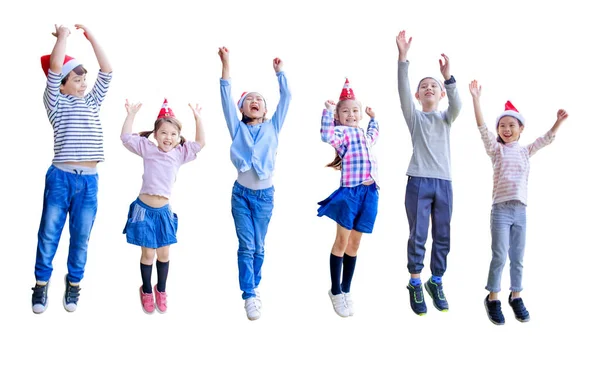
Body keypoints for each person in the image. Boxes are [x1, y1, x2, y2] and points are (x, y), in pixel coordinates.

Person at [469, 80, 568, 325]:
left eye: (511, 125)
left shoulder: (525, 151)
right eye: (502, 125)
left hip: (520, 211)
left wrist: (558, 121)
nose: (506, 129)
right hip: (501, 211)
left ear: (520, 128)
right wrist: (476, 99)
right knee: (500, 255)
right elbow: (482, 128)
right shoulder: (496, 150)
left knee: (518, 257)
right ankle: (493, 298)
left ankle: (516, 295)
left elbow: (546, 139)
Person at [32, 24, 112, 314]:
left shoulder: (92, 102)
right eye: (76, 78)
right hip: (61, 178)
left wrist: (92, 37)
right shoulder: (56, 103)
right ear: (62, 85)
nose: (83, 82)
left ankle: (74, 283)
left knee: (81, 236)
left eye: (84, 78)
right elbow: (54, 69)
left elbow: (107, 70)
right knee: (49, 233)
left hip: (89, 182)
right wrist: (63, 38)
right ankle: (41, 284)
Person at [218, 46, 291, 321]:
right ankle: (248, 294)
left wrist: (279, 73)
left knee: (259, 247)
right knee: (246, 246)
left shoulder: (273, 126)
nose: (255, 101)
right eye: (249, 99)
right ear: (243, 108)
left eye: (259, 99)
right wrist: (226, 64)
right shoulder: (237, 128)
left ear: (265, 108)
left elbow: (288, 97)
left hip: (265, 196)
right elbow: (225, 95)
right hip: (241, 195)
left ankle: (254, 286)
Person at [396, 30, 462, 316]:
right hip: (419, 181)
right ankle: (415, 281)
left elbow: (458, 104)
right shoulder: (415, 117)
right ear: (418, 95)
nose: (429, 88)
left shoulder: (447, 117)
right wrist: (402, 58)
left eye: (434, 86)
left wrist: (448, 76)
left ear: (441, 93)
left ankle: (436, 281)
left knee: (443, 233)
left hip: (444, 182)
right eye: (424, 86)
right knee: (419, 233)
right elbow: (402, 90)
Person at [121, 99, 205, 314]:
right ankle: (147, 290)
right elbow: (125, 137)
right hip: (143, 210)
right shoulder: (148, 149)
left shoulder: (180, 154)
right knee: (148, 254)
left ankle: (162, 290)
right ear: (155, 135)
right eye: (164, 133)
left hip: (163, 212)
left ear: (178, 138)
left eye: (173, 134)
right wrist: (131, 114)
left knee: (164, 254)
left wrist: (197, 118)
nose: (168, 138)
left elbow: (200, 143)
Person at [318, 78, 379, 318]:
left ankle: (346, 290)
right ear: (339, 117)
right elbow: (326, 135)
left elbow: (374, 134)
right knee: (342, 242)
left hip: (370, 192)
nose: (352, 114)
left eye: (355, 110)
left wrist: (374, 118)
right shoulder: (341, 134)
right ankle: (335, 291)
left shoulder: (364, 134)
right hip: (350, 192)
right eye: (346, 111)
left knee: (355, 244)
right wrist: (326, 111)